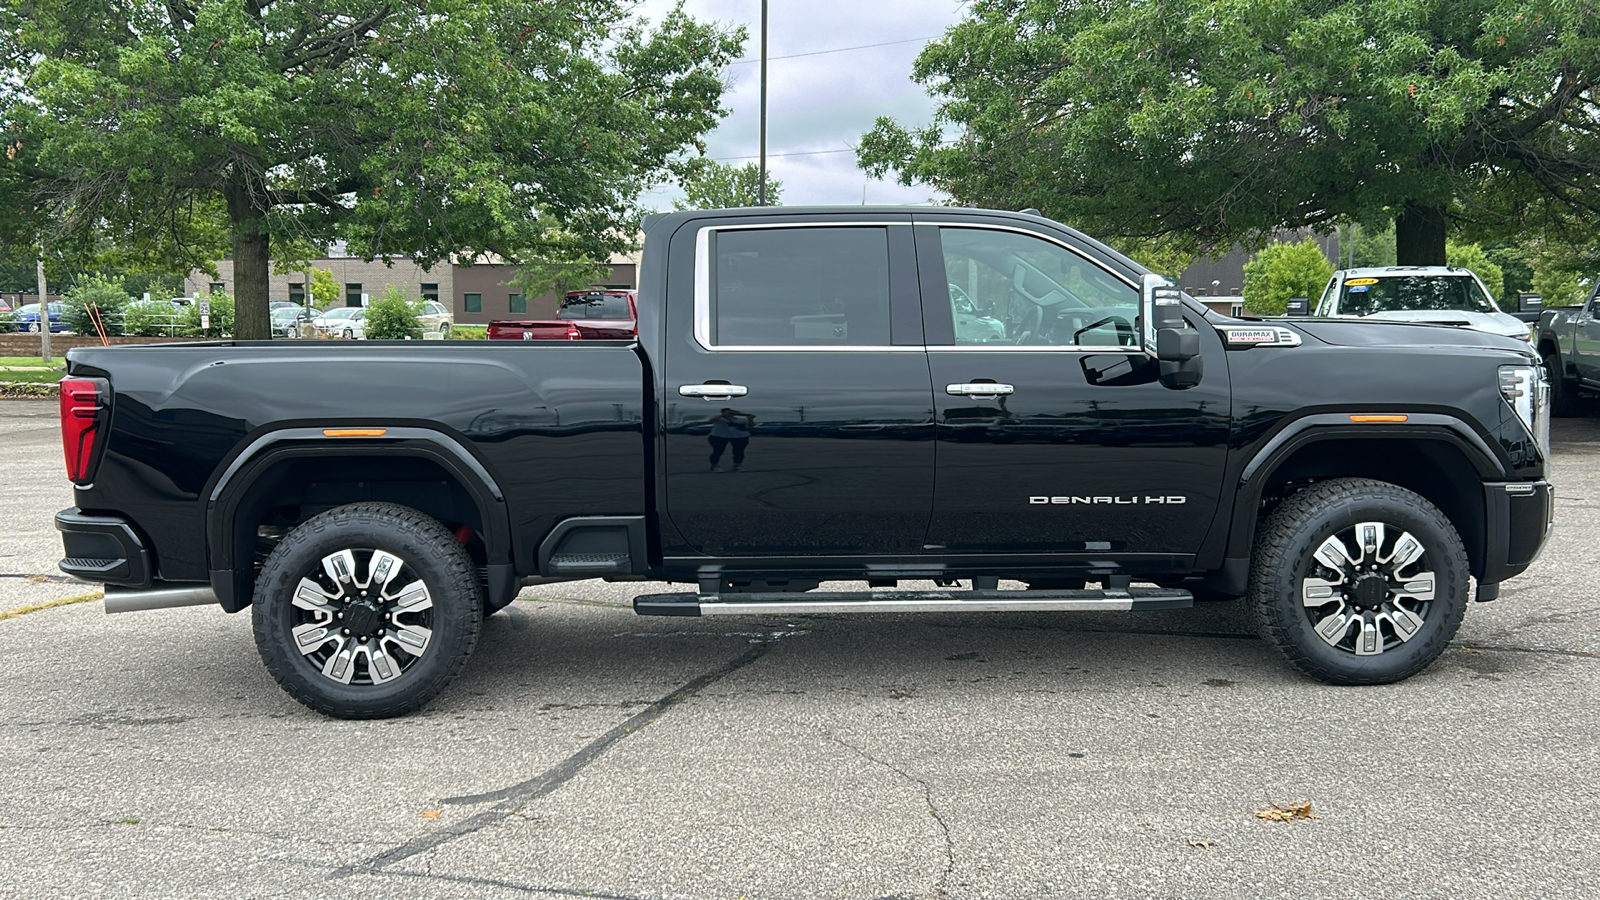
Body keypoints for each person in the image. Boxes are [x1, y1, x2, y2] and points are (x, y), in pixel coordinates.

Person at [708, 408, 754, 472]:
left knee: (739, 451)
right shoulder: (719, 419)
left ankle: (737, 465)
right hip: (720, 436)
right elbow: (710, 421)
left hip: (739, 436)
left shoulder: (741, 419)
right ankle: (714, 465)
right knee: (718, 451)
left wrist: (750, 418)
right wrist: (722, 415)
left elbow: (751, 425)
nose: (730, 414)